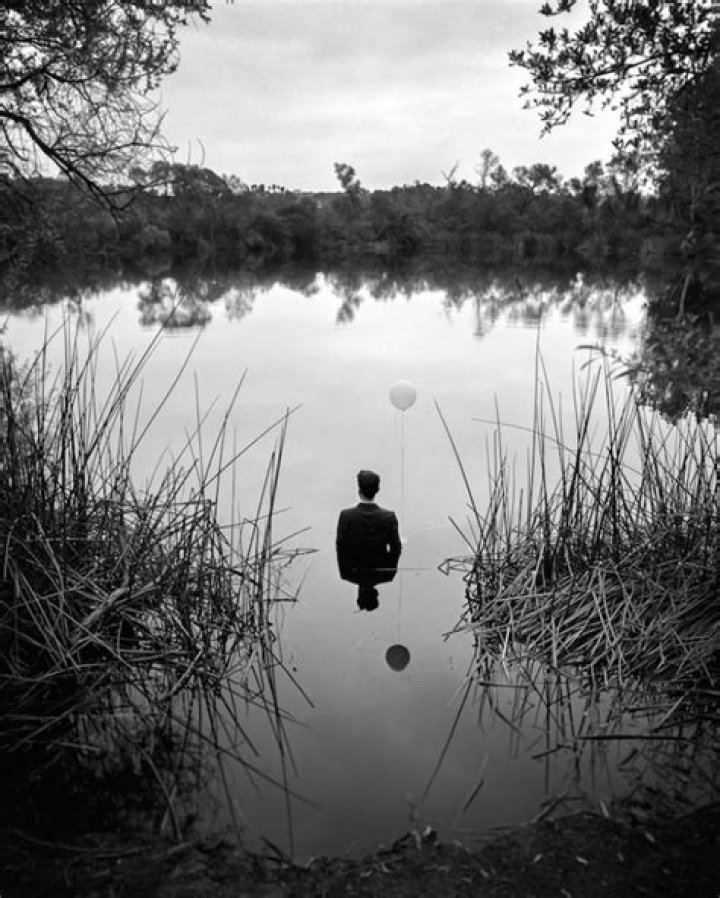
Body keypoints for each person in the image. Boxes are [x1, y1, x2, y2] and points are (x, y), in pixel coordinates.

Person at [336, 469, 402, 610]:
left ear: (359, 491)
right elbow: (396, 548)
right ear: (377, 490)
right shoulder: (389, 517)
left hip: (356, 566)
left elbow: (341, 547)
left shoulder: (346, 516)